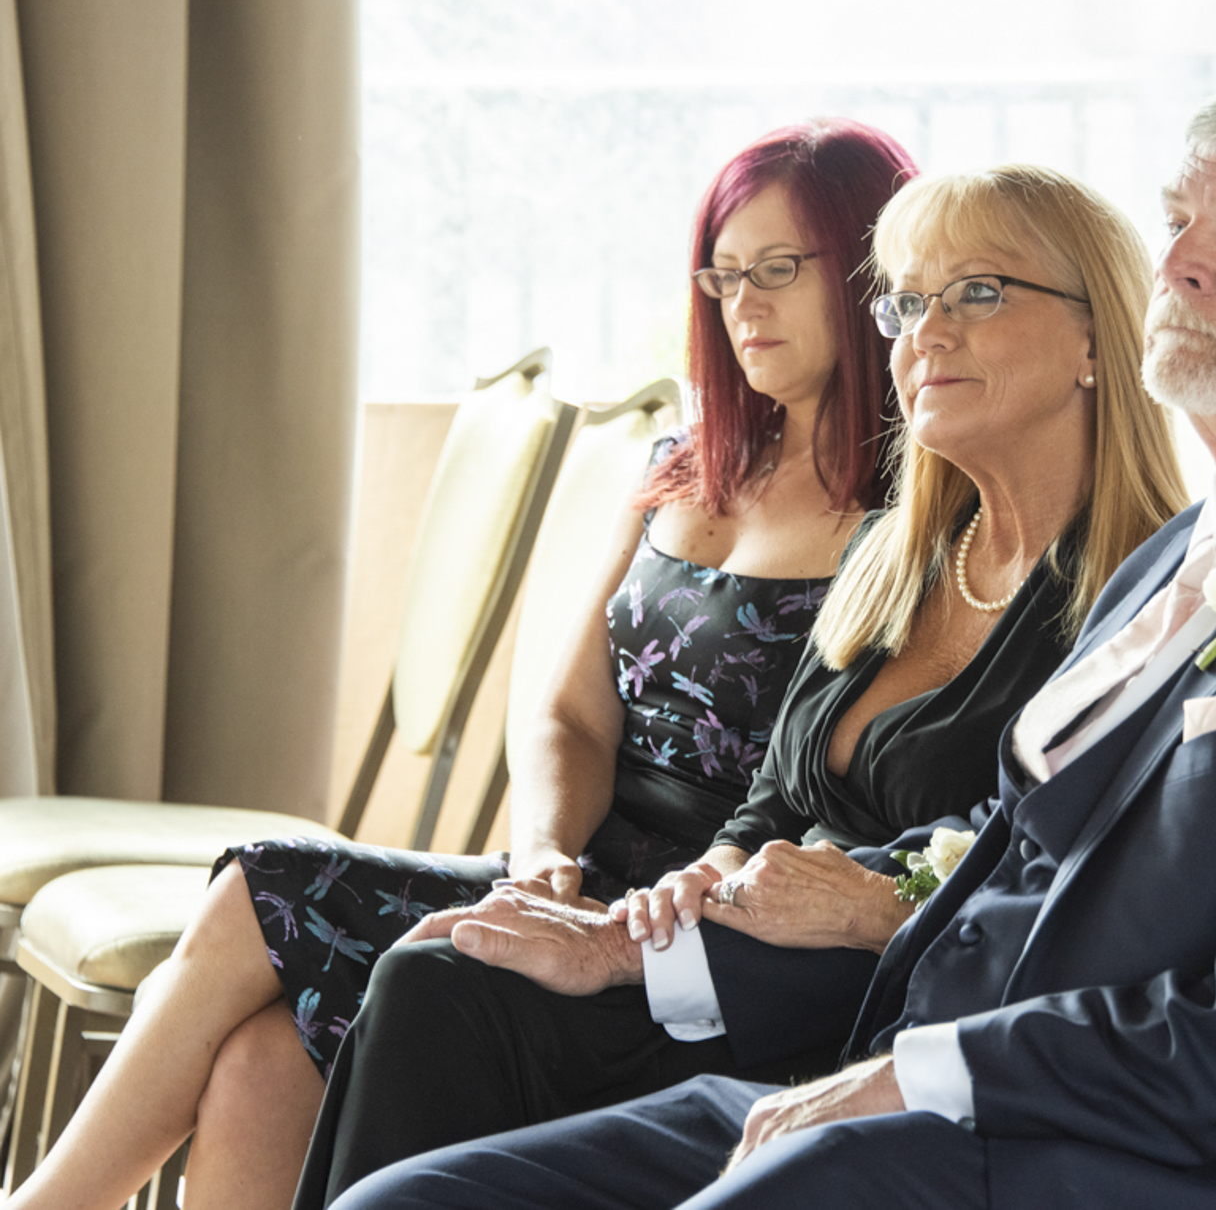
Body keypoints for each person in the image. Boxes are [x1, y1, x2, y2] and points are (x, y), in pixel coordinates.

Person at [329, 73, 1216, 1210]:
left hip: (1177, 1165)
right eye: (1177, 222)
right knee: (411, 1189)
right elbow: (994, 883)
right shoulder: (1197, 549)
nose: (1178, 264)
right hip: (947, 1098)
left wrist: (911, 1073)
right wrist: (635, 955)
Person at [6, 117, 917, 1210]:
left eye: (778, 269)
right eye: (723, 276)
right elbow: (567, 719)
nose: (745, 306)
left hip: (687, 923)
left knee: (261, 888)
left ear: (871, 268)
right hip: (576, 868)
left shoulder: (911, 515)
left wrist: (610, 902)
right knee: (260, 1054)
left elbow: (850, 799)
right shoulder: (688, 465)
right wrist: (541, 856)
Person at [287, 163, 1189, 1205]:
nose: (925, 332)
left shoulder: (1139, 603)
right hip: (720, 970)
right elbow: (767, 805)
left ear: (1096, 335)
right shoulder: (898, 554)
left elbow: (1055, 894)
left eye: (978, 291)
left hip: (856, 1027)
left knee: (444, 990)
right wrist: (679, 896)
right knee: (441, 970)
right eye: (905, 299)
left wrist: (856, 905)